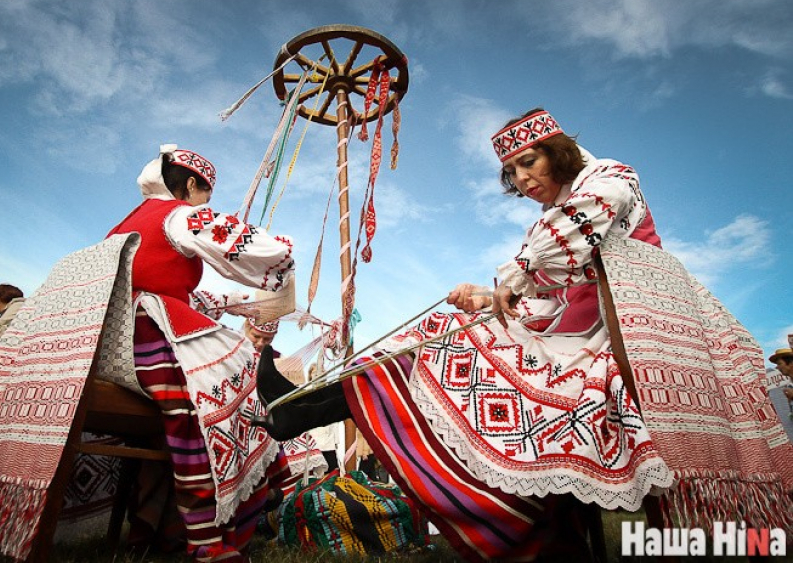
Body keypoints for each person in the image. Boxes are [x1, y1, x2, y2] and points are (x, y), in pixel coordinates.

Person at [257, 109, 792, 561]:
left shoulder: (611, 179)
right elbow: (544, 296)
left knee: (451, 343)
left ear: (556, 152)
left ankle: (300, 411)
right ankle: (301, 409)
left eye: (527, 162)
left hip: (627, 341)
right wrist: (490, 300)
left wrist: (509, 281)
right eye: (512, 173)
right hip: (572, 340)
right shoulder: (549, 221)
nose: (522, 179)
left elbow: (569, 237)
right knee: (442, 332)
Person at [107, 144, 295, 562]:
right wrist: (284, 255)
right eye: (205, 195)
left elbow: (171, 287)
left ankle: (154, 526)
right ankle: (218, 528)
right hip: (149, 341)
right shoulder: (178, 214)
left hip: (115, 344)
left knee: (233, 371)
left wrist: (231, 303)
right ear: (190, 185)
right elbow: (253, 248)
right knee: (241, 379)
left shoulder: (126, 224)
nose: (205, 204)